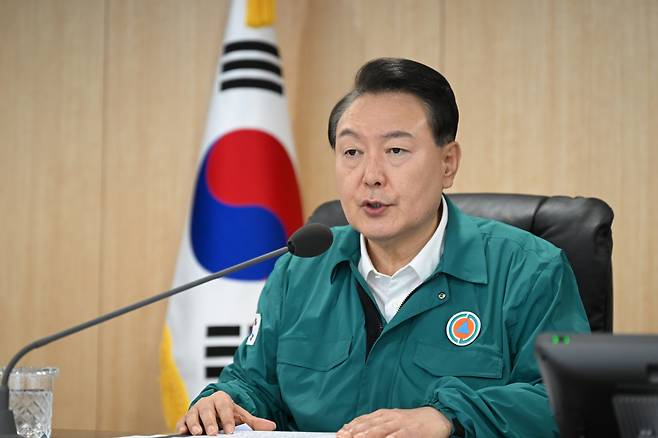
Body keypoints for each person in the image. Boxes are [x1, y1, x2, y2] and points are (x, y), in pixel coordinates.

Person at [176, 58, 590, 437]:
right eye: (352, 152)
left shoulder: (529, 270)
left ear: (448, 164)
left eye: (396, 150)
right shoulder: (300, 268)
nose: (370, 175)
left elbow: (566, 404)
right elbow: (254, 384)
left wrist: (449, 419)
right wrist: (227, 404)